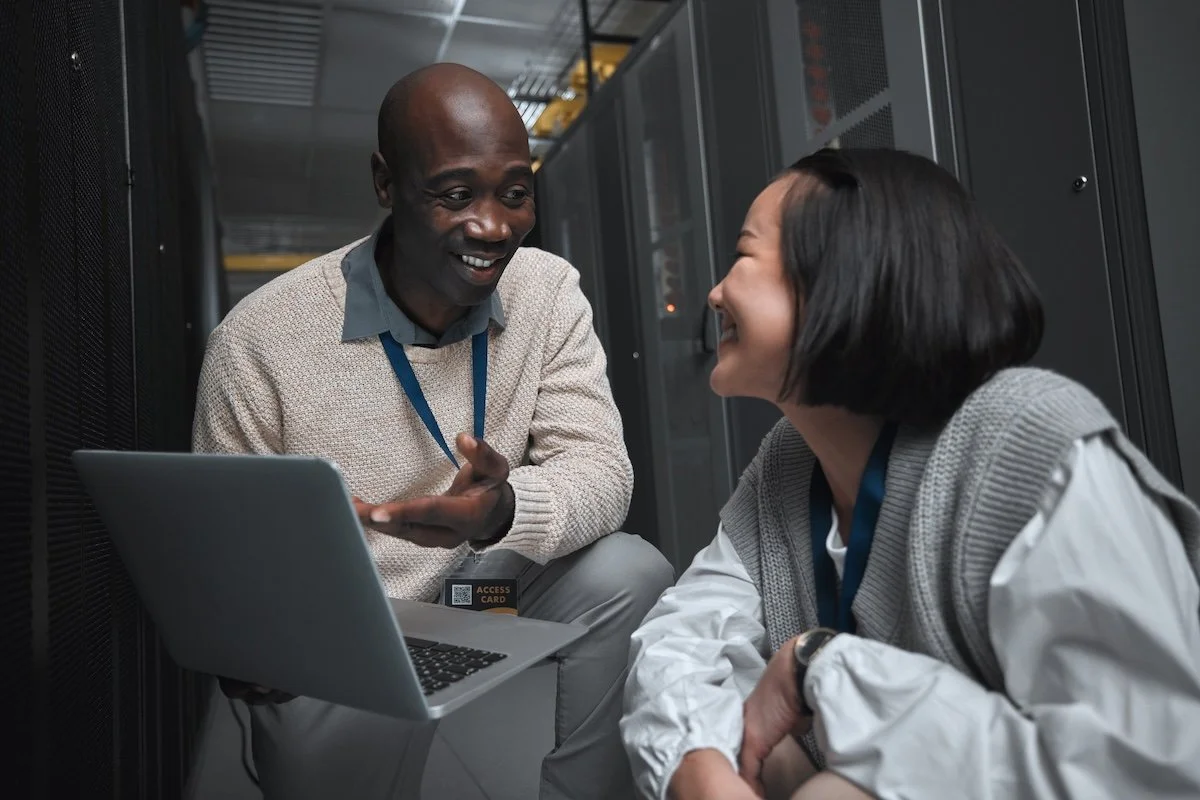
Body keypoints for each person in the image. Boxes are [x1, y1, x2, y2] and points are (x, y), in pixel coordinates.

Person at [621, 148, 1200, 800]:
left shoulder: (1024, 441)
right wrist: (694, 767)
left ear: (843, 277)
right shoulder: (788, 463)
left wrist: (820, 667)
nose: (715, 292)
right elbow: (678, 639)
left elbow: (1145, 771)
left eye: (745, 254)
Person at [193, 62, 673, 800]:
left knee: (628, 571)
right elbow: (228, 560)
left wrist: (502, 510)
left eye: (516, 194)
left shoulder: (546, 293)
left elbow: (603, 474)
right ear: (386, 184)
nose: (493, 226)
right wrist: (252, 638)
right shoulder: (259, 340)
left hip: (481, 591)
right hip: (350, 633)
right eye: (455, 195)